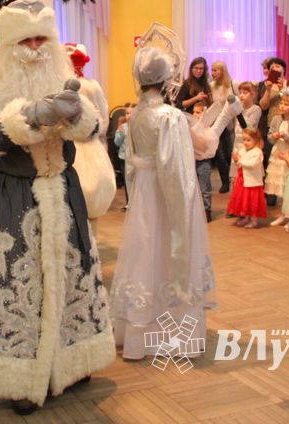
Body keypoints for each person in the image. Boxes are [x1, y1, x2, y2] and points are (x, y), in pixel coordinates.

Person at [0, 0, 114, 415]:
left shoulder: (66, 74)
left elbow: (97, 128)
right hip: (16, 191)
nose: (35, 47)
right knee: (17, 280)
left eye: (42, 38)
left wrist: (77, 115)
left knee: (71, 271)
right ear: (8, 43)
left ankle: (73, 361)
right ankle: (21, 378)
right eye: (25, 39)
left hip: (64, 188)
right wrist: (27, 116)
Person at [111, 44, 215, 360]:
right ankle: (173, 328)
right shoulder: (169, 116)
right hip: (164, 190)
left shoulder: (136, 114)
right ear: (166, 78)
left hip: (143, 190)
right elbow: (177, 166)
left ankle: (137, 328)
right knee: (169, 246)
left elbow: (130, 160)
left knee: (145, 248)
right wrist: (185, 201)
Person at [65, 43, 116, 219]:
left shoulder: (60, 88)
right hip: (89, 146)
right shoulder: (91, 87)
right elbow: (102, 118)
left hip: (67, 146)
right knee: (92, 195)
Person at [264, 89, 289, 220]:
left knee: (288, 181)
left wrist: (285, 136)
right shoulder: (276, 119)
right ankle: (283, 211)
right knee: (279, 182)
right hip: (278, 152)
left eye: (286, 104)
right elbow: (269, 136)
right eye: (281, 103)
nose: (282, 106)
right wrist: (274, 136)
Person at [256, 57, 288, 203]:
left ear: (283, 69)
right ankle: (270, 194)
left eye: (279, 66)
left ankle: (286, 192)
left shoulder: (288, 84)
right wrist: (269, 89)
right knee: (269, 158)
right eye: (273, 66)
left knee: (286, 159)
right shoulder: (263, 85)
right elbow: (263, 105)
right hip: (270, 125)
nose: (276, 68)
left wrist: (284, 89)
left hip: (287, 125)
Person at [228, 128, 267, 228]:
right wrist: (236, 161)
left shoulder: (257, 152)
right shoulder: (243, 150)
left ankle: (254, 219)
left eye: (248, 140)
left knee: (252, 200)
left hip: (252, 181)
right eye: (244, 140)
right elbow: (240, 164)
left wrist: (240, 160)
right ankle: (246, 216)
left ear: (256, 140)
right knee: (244, 200)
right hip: (242, 179)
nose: (245, 142)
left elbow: (252, 164)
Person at [210, 61, 237, 193]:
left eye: (216, 70)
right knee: (219, 154)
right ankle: (225, 182)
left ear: (222, 71)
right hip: (217, 124)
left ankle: (235, 182)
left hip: (231, 124)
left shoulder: (232, 85)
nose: (213, 73)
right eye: (212, 70)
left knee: (231, 152)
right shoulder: (211, 86)